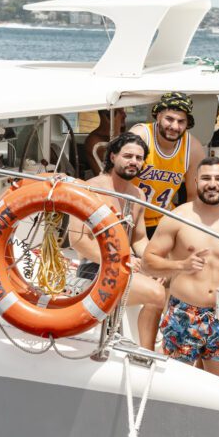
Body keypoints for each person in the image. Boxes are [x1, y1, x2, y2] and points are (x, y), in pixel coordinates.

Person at [143, 157, 219, 379]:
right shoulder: (178, 217)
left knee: (217, 388)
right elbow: (149, 262)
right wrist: (180, 265)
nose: (212, 184)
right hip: (183, 314)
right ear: (195, 182)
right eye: (206, 178)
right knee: (175, 386)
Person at [69, 132, 165, 350]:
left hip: (125, 265)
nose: (134, 162)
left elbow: (139, 238)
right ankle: (146, 352)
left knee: (166, 284)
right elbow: (77, 240)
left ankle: (145, 348)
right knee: (156, 294)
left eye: (139, 158)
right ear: (112, 157)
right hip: (94, 268)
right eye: (128, 155)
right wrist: (121, 259)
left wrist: (154, 265)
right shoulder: (89, 189)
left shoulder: (138, 195)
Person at [130, 92, 205, 238]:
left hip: (163, 219)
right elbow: (117, 179)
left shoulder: (193, 148)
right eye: (169, 119)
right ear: (158, 116)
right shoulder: (141, 136)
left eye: (181, 121)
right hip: (130, 217)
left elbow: (193, 195)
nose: (174, 126)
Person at [84, 108, 127, 177]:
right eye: (121, 112)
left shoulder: (120, 135)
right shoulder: (94, 141)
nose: (125, 115)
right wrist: (116, 128)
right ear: (109, 116)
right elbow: (117, 164)